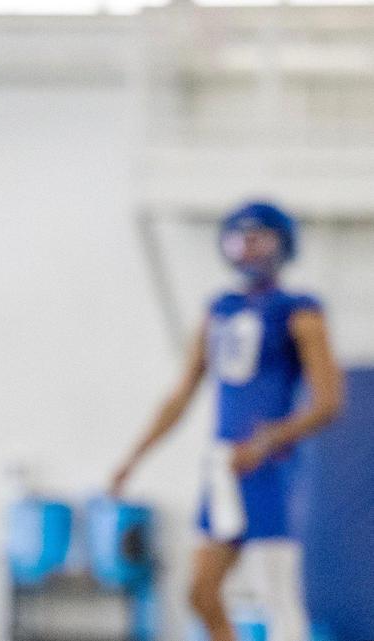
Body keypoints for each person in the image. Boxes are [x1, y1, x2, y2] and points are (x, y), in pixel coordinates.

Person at [110, 202, 344, 641]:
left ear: (283, 245)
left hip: (271, 469)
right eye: (241, 240)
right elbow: (180, 396)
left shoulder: (300, 311)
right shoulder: (220, 310)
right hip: (224, 467)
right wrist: (132, 459)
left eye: (260, 240)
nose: (249, 250)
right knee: (201, 593)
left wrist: (270, 439)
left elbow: (329, 401)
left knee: (278, 597)